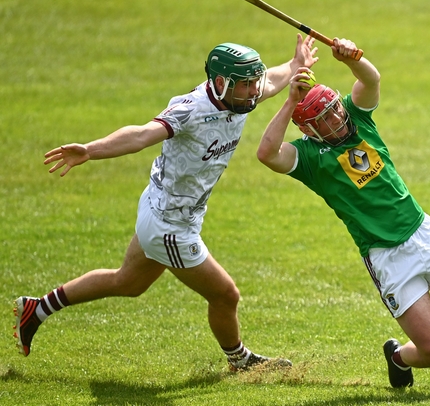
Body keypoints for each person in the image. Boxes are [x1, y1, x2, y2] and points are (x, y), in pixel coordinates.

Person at [14, 34, 319, 371]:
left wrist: (296, 63)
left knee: (128, 282)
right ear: (220, 83)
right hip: (170, 227)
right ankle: (240, 360)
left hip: (162, 209)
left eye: (253, 84)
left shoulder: (237, 96)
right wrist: (89, 150)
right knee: (225, 295)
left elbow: (272, 82)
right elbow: (141, 135)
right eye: (245, 85)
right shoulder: (191, 109)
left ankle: (36, 309)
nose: (253, 92)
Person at [255, 38, 430, 387]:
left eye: (334, 109)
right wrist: (291, 100)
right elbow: (267, 154)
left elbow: (370, 80)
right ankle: (398, 357)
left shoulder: (358, 119)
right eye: (323, 119)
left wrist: (352, 57)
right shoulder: (308, 158)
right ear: (308, 130)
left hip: (424, 233)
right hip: (387, 256)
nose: (335, 119)